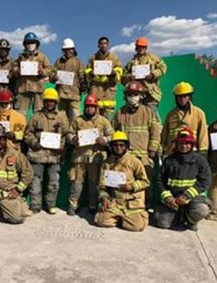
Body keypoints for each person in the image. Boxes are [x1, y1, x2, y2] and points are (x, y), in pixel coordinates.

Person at [113, 81, 161, 211]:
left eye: (135, 94)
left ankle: (147, 205)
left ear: (141, 96)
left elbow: (155, 131)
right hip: (125, 156)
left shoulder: (148, 112)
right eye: (129, 94)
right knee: (125, 181)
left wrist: (153, 147)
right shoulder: (119, 113)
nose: (132, 97)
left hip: (143, 155)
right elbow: (113, 132)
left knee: (145, 181)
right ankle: (124, 206)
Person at [154, 127, 211, 231]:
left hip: (191, 199)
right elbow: (159, 181)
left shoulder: (200, 161)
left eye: (187, 143)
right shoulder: (169, 160)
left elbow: (205, 181)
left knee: (202, 209)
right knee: (162, 222)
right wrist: (168, 198)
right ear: (177, 144)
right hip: (173, 200)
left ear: (192, 145)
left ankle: (191, 221)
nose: (184, 146)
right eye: (181, 143)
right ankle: (177, 217)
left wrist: (186, 196)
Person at [24, 88, 69, 214]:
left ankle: (51, 205)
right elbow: (28, 134)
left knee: (53, 182)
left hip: (55, 156)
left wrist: (62, 146)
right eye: (47, 101)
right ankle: (35, 205)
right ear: (44, 101)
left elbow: (66, 134)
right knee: (36, 181)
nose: (49, 103)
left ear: (56, 102)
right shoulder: (36, 117)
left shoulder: (62, 117)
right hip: (38, 155)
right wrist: (34, 143)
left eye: (52, 101)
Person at [67, 94, 113, 215]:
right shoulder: (78, 120)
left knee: (94, 183)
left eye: (92, 106)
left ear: (96, 107)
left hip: (96, 158)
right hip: (79, 158)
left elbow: (112, 136)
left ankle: (93, 205)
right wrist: (73, 139)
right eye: (87, 106)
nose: (89, 109)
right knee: (76, 182)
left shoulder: (103, 121)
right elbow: (69, 133)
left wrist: (105, 140)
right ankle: (73, 205)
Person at [95, 131, 150, 231]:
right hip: (115, 202)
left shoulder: (134, 161)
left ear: (126, 146)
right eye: (115, 145)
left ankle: (135, 216)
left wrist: (131, 186)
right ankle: (119, 217)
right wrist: (104, 197)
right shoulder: (107, 163)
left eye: (121, 145)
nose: (118, 148)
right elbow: (102, 185)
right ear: (111, 146)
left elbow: (145, 182)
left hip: (130, 202)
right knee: (100, 221)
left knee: (137, 227)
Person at [122, 37, 167, 121]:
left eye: (143, 47)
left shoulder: (153, 58)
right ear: (136, 48)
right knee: (136, 115)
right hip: (136, 94)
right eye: (139, 47)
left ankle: (158, 131)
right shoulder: (131, 62)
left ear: (146, 47)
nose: (140, 49)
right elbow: (123, 76)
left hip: (151, 93)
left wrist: (153, 74)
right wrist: (129, 77)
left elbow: (163, 68)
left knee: (152, 113)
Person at [161, 81, 208, 158]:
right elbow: (164, 136)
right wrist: (163, 151)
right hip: (173, 153)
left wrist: (203, 153)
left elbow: (203, 136)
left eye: (185, 96)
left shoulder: (199, 113)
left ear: (189, 97)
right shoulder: (171, 115)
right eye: (179, 96)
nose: (182, 99)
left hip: (192, 153)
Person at [12, 32, 52, 117]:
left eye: (32, 43)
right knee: (20, 114)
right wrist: (17, 71)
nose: (30, 45)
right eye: (28, 43)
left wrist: (42, 71)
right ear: (25, 45)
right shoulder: (20, 57)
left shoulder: (42, 57)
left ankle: (37, 130)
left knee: (39, 113)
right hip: (23, 89)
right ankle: (20, 130)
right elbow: (13, 68)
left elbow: (49, 69)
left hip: (38, 89)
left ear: (37, 44)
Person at [85, 36, 123, 120]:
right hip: (95, 91)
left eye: (105, 43)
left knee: (107, 123)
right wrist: (91, 73)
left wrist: (114, 74)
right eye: (101, 44)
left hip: (108, 93)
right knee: (94, 121)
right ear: (98, 45)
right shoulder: (93, 58)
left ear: (108, 45)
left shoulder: (114, 58)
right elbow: (87, 71)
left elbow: (120, 71)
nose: (103, 45)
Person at [51, 38, 86, 122]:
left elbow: (82, 76)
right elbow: (51, 73)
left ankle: (74, 135)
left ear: (73, 49)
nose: (68, 51)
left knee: (75, 118)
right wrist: (53, 77)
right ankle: (63, 135)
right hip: (61, 94)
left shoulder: (78, 62)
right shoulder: (59, 61)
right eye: (66, 50)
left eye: (70, 49)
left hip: (74, 95)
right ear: (63, 50)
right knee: (61, 118)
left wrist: (83, 84)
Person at [0, 89, 27, 153]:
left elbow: (23, 134)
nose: (4, 105)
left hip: (13, 150)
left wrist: (14, 135)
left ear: (10, 102)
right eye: (2, 103)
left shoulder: (19, 117)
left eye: (6, 103)